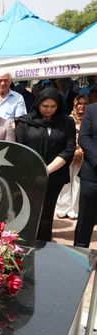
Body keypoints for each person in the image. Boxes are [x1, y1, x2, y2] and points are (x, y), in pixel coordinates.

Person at [15, 87, 76, 241]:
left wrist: (47, 170)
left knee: (47, 213)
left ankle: (44, 244)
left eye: (53, 106)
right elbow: (20, 148)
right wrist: (36, 170)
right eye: (45, 106)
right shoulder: (25, 122)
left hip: (54, 175)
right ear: (38, 104)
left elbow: (69, 149)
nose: (49, 110)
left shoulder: (66, 122)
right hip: (29, 175)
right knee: (27, 210)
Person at [57, 95, 89, 219]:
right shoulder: (68, 119)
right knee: (66, 181)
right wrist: (73, 151)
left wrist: (82, 151)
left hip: (83, 156)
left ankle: (74, 209)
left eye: (85, 103)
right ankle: (62, 207)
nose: (82, 106)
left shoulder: (90, 118)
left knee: (77, 182)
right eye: (79, 103)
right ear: (74, 105)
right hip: (69, 154)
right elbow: (63, 137)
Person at [75, 102, 97, 248]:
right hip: (92, 175)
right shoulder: (92, 109)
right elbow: (84, 137)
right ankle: (79, 256)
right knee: (85, 220)